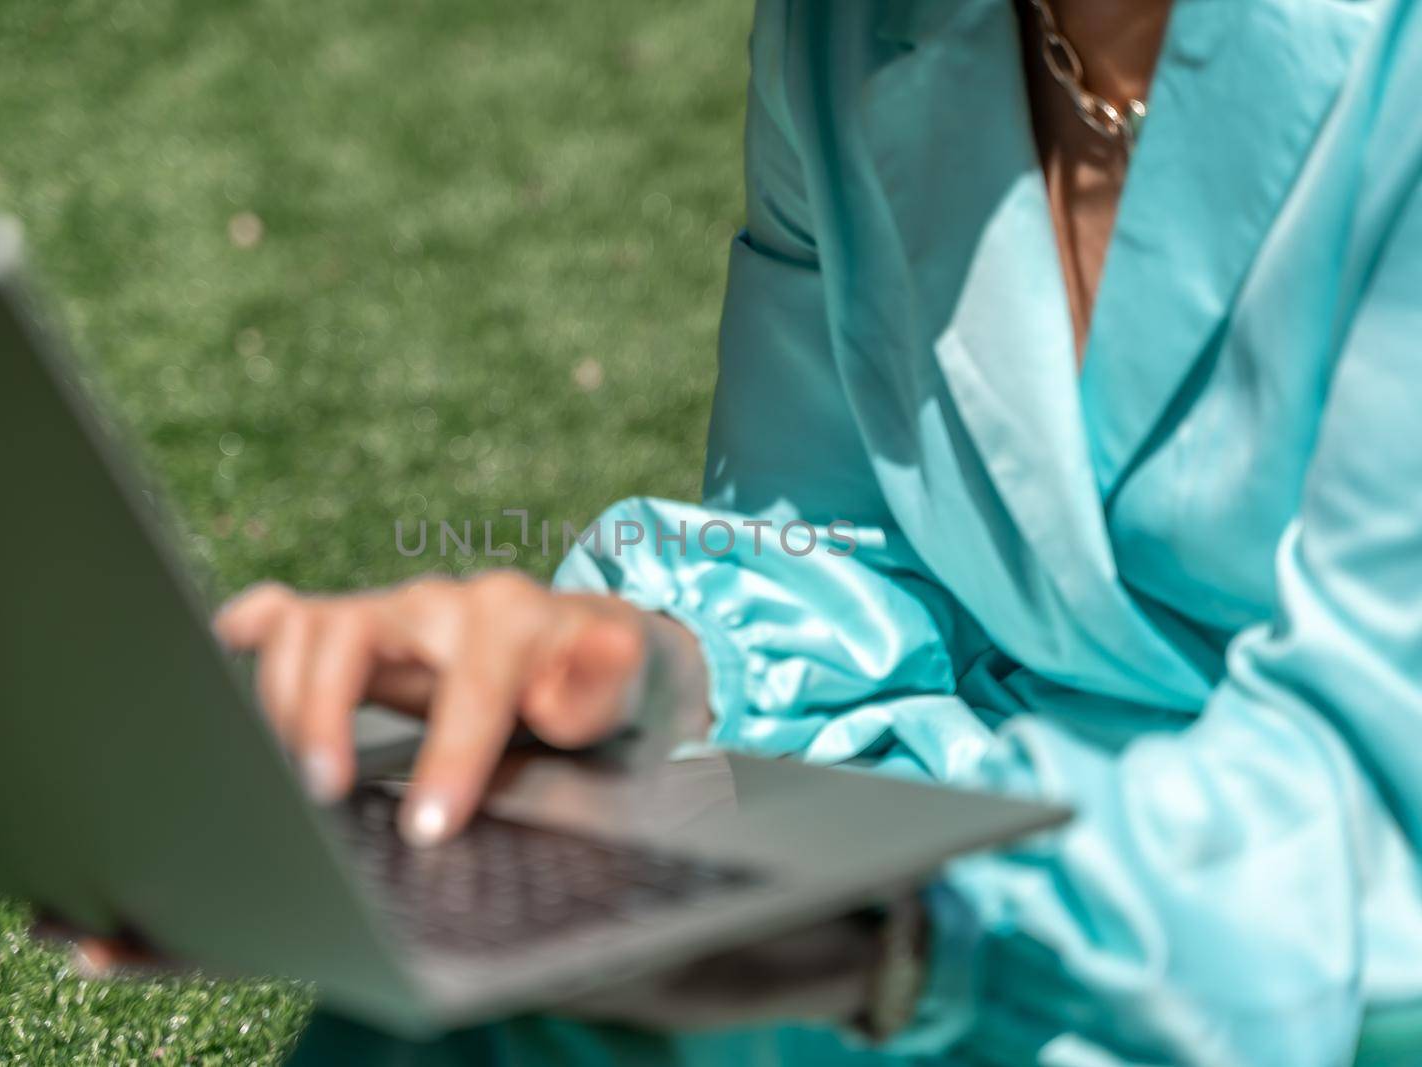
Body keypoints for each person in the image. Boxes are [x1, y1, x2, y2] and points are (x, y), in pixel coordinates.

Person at [70, 0, 1422, 1062]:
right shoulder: (843, 23)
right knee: (496, 1019)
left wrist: (895, 937)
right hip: (988, 862)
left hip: (1317, 953)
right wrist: (623, 671)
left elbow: (1379, 809)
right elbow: (844, 541)